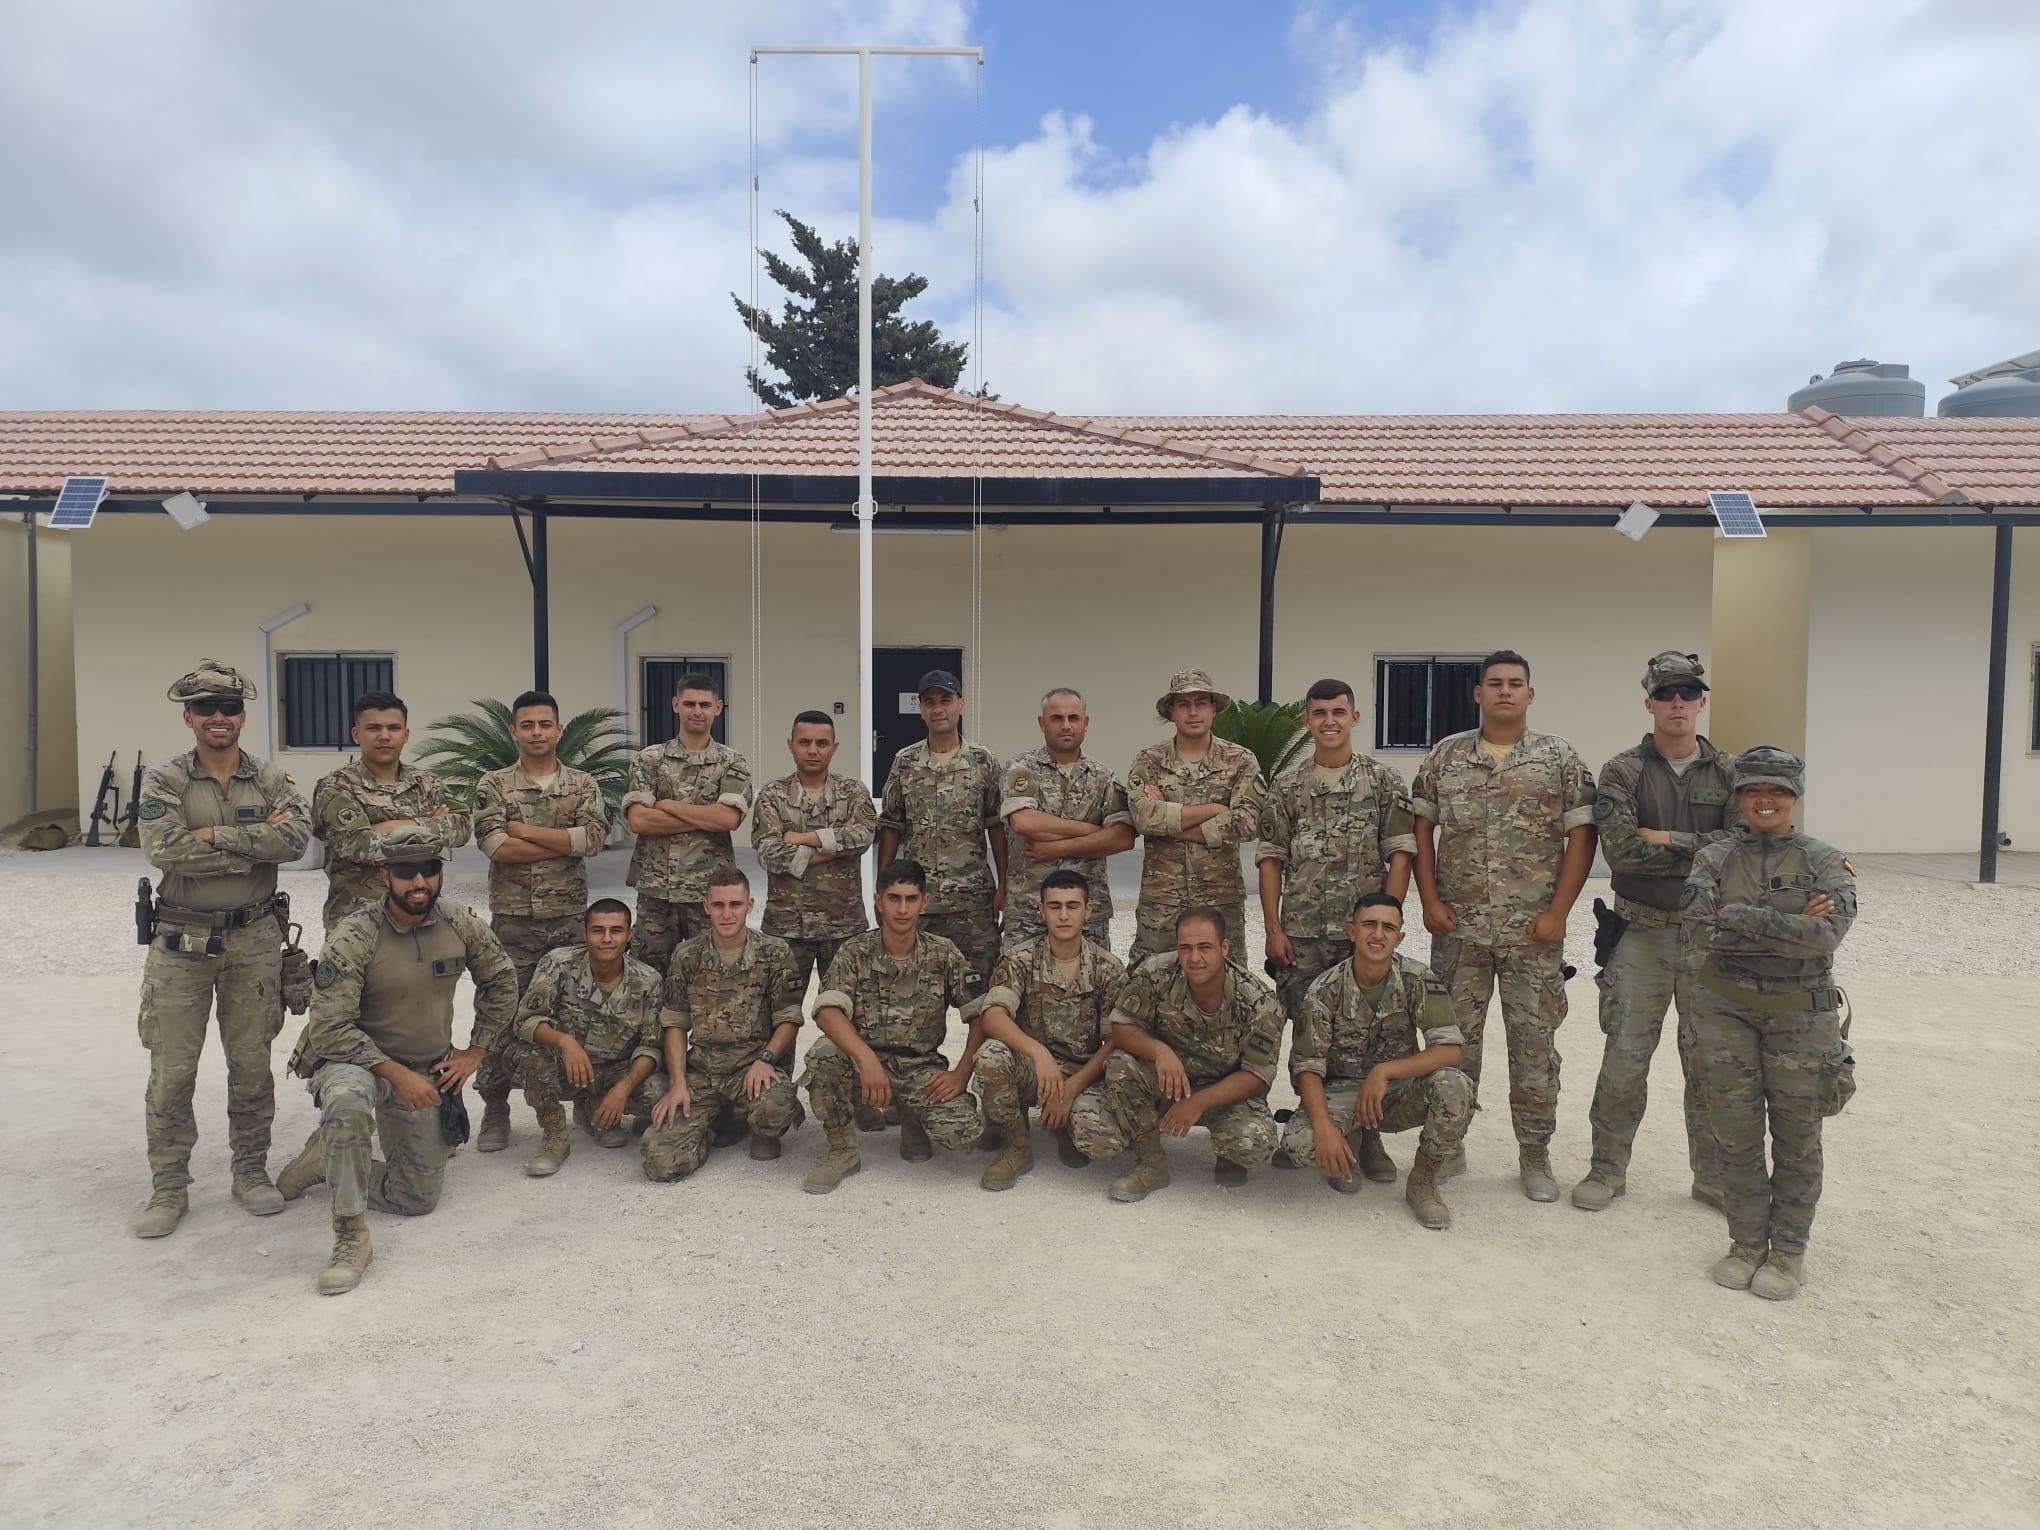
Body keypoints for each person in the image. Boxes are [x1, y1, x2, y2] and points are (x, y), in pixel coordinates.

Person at [274, 826, 518, 1295]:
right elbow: (331, 1028)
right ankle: (350, 1236)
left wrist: (474, 1052)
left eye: (429, 869)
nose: (419, 882)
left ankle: (329, 1159)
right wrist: (395, 1073)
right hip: (353, 1060)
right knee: (346, 1104)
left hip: (425, 1064)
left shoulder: (459, 922)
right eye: (406, 872)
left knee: (417, 1198)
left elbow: (502, 981)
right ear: (386, 874)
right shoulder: (356, 934)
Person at [131, 659, 311, 1239]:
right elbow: (164, 849)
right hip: (180, 941)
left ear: (241, 715)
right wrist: (252, 846)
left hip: (255, 938)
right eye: (205, 707)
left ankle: (250, 1170)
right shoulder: (164, 779)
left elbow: (295, 840)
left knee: (252, 1061)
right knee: (172, 1069)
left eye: (228, 707)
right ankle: (169, 1185)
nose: (218, 717)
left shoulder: (272, 778)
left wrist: (210, 835)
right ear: (188, 716)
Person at [1412, 650, 1595, 1202]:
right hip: (1460, 929)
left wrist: (1558, 913)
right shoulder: (1445, 756)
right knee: (1454, 1046)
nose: (1506, 691)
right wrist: (1429, 899)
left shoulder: (1558, 758)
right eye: (1495, 683)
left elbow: (1582, 838)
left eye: (1516, 683)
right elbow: (1420, 829)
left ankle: (1534, 1155)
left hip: (1532, 934)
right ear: (1478, 693)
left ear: (1530, 694)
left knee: (1534, 1049)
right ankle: (1448, 1145)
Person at [1683, 747, 1857, 1301]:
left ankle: (1788, 1250)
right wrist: (1788, 923)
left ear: (1794, 798)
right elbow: (1699, 931)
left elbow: (1828, 936)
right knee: (1733, 1133)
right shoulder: (1713, 857)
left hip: (1800, 1017)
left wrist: (1739, 918)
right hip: (1725, 1010)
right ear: (1739, 797)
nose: (1765, 800)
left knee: (1798, 1136)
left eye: (1777, 791)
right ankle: (1745, 1242)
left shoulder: (1825, 861)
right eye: (1754, 789)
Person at [1573, 652, 1739, 1214]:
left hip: (1707, 938)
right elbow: (1623, 851)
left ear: (1701, 701)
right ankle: (1606, 1169)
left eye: (1687, 693)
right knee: (1624, 1057)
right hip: (1639, 933)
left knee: (1710, 1061)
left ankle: (1713, 1176)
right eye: (1666, 694)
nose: (1677, 703)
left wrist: (1666, 838)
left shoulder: (1731, 772)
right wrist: (1701, 846)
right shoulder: (1622, 771)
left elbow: (1742, 854)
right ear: (1648, 702)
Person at [1257, 676, 1417, 1183]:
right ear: (1307, 721)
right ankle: (1317, 1126)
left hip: (1362, 935)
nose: (1329, 721)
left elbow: (1400, 853)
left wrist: (1386, 919)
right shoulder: (1286, 786)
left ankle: (1366, 1139)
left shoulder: (1384, 781)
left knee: (1367, 1035)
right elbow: (1270, 859)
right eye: (1319, 713)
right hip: (1302, 934)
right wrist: (1271, 927)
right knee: (1308, 1030)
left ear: (1355, 718)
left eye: (1338, 712)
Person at [1276, 893, 1473, 1228]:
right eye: (1369, 925)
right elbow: (1307, 1067)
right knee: (1299, 1145)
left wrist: (1385, 1072)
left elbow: (1451, 1050)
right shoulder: (1324, 989)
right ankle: (1352, 1143)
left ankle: (1422, 1182)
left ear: (1400, 937)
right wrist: (1324, 1128)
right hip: (1342, 1093)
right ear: (1352, 932)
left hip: (1395, 1092)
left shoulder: (1417, 979)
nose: (1378, 934)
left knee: (1454, 1086)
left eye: (1388, 927)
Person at [472, 690, 611, 1152]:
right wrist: (563, 840)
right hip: (513, 920)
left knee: (577, 1010)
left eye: (544, 724)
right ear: (514, 730)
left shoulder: (584, 785)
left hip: (570, 920)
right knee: (500, 1010)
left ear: (559, 729)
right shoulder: (493, 785)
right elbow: (497, 848)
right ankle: (495, 1106)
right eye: (527, 725)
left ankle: (585, 1103)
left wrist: (525, 830)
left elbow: (593, 840)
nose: (536, 733)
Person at [798, 860, 987, 1194]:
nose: (902, 909)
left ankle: (913, 1119)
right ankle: (843, 1152)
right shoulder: (855, 952)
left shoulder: (944, 954)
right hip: (864, 1067)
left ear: (924, 902)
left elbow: (980, 1016)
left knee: (964, 1133)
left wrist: (961, 1073)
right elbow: (827, 1011)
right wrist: (866, 1059)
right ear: (878, 901)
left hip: (920, 1068)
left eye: (911, 899)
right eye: (894, 898)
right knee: (824, 1055)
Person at [1099, 907, 1284, 1201]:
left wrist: (1199, 1102)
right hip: (1168, 1081)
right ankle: (1150, 1163)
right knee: (1120, 1065)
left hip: (1223, 1092)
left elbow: (1257, 1076)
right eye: (1186, 948)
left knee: (1255, 1144)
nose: (1194, 958)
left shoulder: (1259, 1002)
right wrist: (1159, 1050)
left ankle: (1227, 1153)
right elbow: (1121, 1026)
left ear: (1225, 948)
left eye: (1205, 947)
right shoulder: (1156, 973)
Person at [641, 867, 806, 1180]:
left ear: (750, 905)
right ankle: (711, 1129)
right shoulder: (686, 955)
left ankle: (758, 1129)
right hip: (702, 1071)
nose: (727, 914)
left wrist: (766, 1059)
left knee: (776, 1106)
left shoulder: (774, 953)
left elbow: (789, 1019)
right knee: (660, 1163)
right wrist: (677, 1083)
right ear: (706, 906)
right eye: (719, 905)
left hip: (752, 1070)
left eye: (735, 905)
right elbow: (675, 1022)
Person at [972, 869, 1128, 1190]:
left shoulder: (1108, 968)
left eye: (1073, 906)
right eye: (1054, 906)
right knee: (991, 1056)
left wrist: (1069, 1092)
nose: (1064, 915)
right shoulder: (1019, 960)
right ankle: (1017, 1146)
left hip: (1081, 1075)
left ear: (1088, 911)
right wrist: (1038, 1054)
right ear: (1041, 911)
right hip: (1031, 1070)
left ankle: (1065, 1124)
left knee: (1103, 1142)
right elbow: (993, 1016)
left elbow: (1116, 1041)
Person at [504, 899, 668, 1179]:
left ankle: (594, 1109)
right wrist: (565, 1042)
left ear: (629, 934)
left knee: (660, 1091)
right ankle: (555, 1135)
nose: (607, 939)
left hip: (614, 1069)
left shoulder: (648, 980)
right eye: (598, 930)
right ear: (585, 933)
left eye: (616, 931)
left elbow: (651, 1046)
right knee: (529, 1055)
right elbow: (526, 1022)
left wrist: (623, 1089)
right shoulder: (557, 964)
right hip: (567, 1066)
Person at [877, 669, 1005, 991]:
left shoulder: (983, 761)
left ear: (960, 704)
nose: (938, 709)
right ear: (921, 709)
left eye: (945, 700)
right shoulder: (905, 762)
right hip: (918, 901)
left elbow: (996, 827)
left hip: (972, 902)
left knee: (980, 995)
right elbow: (891, 826)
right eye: (929, 702)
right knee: (914, 993)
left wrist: (1005, 884)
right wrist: (883, 888)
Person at [1125, 670, 1265, 965]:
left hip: (1220, 898)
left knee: (1225, 983)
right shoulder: (1148, 760)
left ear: (1213, 709)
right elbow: (1142, 817)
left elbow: (1247, 822)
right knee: (1149, 981)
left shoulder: (1240, 760)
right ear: (1171, 711)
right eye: (1183, 704)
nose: (1193, 712)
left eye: (1201, 702)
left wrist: (1168, 822)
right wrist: (1213, 810)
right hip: (1162, 900)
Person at [621, 671, 753, 973]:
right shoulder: (650, 760)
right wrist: (703, 816)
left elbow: (728, 818)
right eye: (690, 703)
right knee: (650, 978)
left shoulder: (732, 762)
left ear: (718, 708)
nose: (697, 711)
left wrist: (666, 805)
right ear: (675, 704)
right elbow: (640, 821)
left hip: (710, 894)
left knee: (710, 975)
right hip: (656, 892)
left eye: (705, 705)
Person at [310, 690, 471, 933]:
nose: (384, 736)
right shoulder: (335, 787)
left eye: (394, 728)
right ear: (356, 734)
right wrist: (430, 826)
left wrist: (391, 827)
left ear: (405, 735)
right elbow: (357, 844)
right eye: (373, 728)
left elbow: (463, 827)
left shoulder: (427, 782)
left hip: (420, 917)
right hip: (358, 923)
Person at [751, 710, 877, 993]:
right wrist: (835, 845)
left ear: (834, 747)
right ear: (790, 744)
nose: (812, 750)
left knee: (846, 1011)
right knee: (781, 1015)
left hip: (843, 925)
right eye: (804, 742)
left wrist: (800, 838)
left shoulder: (853, 791)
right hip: (786, 927)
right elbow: (768, 852)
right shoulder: (773, 794)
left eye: (821, 743)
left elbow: (864, 836)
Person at [999, 688, 1134, 951]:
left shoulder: (1103, 777)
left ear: (1086, 723)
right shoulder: (1020, 769)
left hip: (1086, 911)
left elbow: (1123, 837)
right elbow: (1024, 822)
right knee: (1017, 985)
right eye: (1056, 718)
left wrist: (1056, 847)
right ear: (1042, 723)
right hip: (1029, 909)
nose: (1065, 726)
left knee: (1092, 986)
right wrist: (1089, 830)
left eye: (1073, 718)